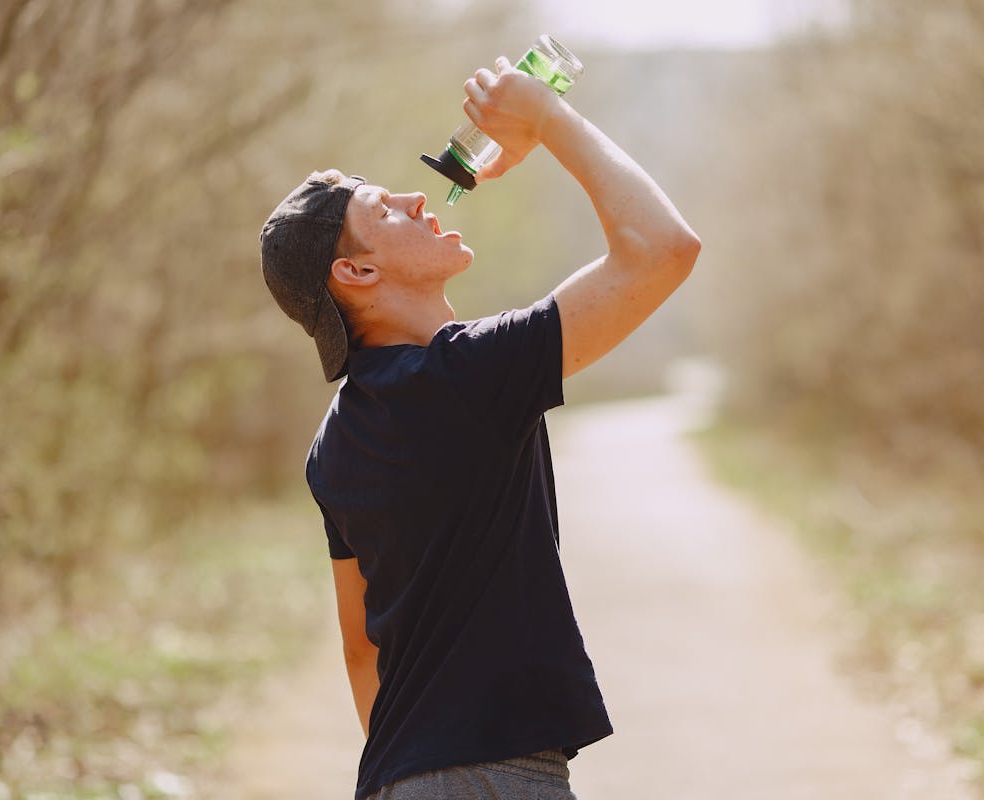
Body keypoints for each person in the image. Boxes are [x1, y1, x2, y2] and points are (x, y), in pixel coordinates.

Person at [259, 55, 700, 800]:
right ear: (357, 276)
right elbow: (664, 248)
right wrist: (549, 121)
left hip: (400, 777)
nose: (412, 196)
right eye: (382, 210)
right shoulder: (465, 379)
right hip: (493, 778)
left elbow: (364, 652)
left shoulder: (333, 444)